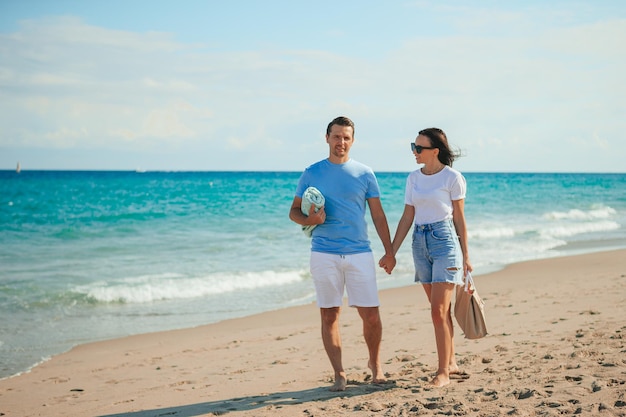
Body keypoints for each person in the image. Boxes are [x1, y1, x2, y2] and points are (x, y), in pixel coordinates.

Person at [289, 116, 396, 391]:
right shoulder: (311, 172)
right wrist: (310, 221)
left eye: (346, 137)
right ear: (327, 138)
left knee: (371, 314)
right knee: (329, 315)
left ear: (353, 140)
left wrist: (390, 250)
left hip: (359, 252)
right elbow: (294, 212)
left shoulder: (365, 173)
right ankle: (339, 373)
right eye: (336, 136)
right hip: (324, 253)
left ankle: (376, 366)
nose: (341, 142)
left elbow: (378, 215)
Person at [379, 127, 472, 387]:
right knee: (441, 311)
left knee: (438, 311)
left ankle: (442, 372)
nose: (414, 152)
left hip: (444, 243)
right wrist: (391, 253)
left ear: (435, 151)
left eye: (419, 148)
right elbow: (407, 216)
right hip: (419, 243)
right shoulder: (413, 178)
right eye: (413, 146)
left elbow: (459, 219)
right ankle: (451, 362)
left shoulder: (453, 178)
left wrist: (466, 256)